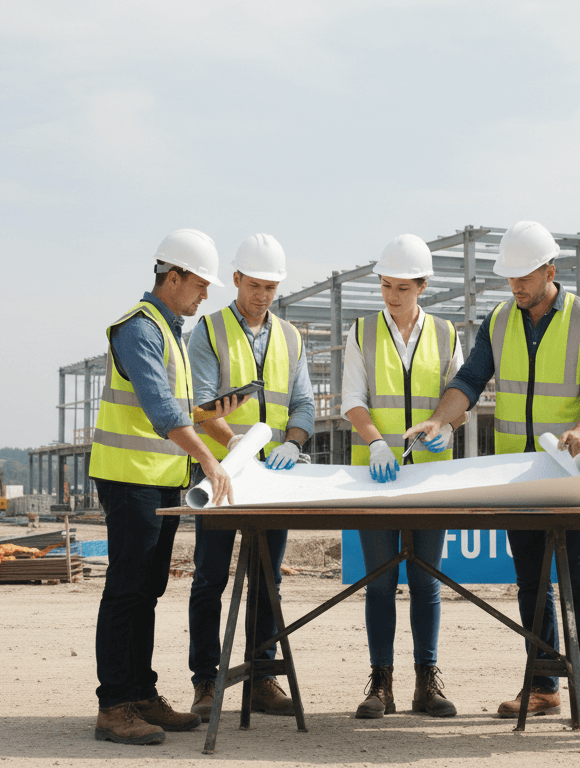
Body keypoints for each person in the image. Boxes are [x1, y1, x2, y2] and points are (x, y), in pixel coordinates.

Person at [405, 220, 580, 728]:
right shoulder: (501, 320)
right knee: (530, 582)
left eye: (524, 276)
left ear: (550, 269)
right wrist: (441, 417)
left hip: (569, 472)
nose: (516, 286)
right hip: (520, 474)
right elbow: (470, 380)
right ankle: (543, 685)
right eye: (510, 278)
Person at [89, 229, 239, 745]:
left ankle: (140, 693)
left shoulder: (169, 329)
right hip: (131, 481)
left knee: (147, 590)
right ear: (171, 277)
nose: (204, 296)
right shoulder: (138, 328)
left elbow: (178, 405)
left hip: (157, 482)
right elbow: (159, 409)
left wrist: (215, 419)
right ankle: (114, 705)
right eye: (199, 285)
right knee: (128, 589)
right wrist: (209, 460)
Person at [185, 233, 315, 717]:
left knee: (266, 579)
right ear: (236, 279)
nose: (262, 295)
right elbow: (199, 404)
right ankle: (205, 680)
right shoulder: (209, 331)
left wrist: (292, 443)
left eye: (271, 287)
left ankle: (262, 678)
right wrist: (234, 442)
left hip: (273, 477)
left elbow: (302, 404)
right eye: (255, 284)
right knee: (210, 578)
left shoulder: (290, 336)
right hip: (223, 472)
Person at [342, 234, 465, 719]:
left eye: (403, 288)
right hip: (377, 478)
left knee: (426, 581)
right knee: (379, 580)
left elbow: (460, 396)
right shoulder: (362, 332)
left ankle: (425, 683)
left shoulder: (446, 333)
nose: (392, 296)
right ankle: (381, 684)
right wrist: (374, 440)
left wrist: (448, 428)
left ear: (423, 286)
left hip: (430, 479)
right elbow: (353, 397)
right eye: (386, 285)